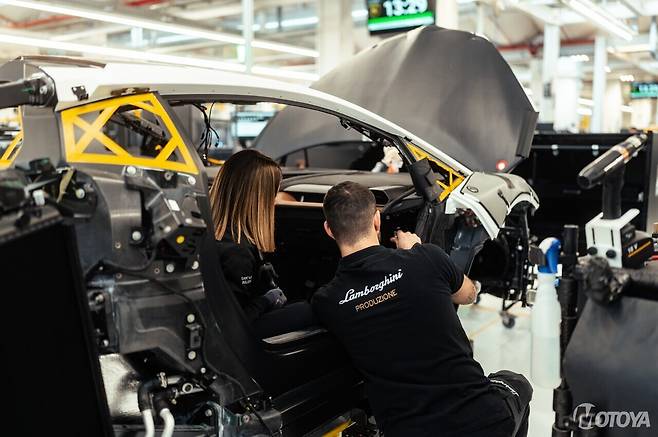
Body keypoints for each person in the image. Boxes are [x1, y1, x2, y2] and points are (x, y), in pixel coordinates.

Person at [312, 181, 532, 437]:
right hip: (480, 422)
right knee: (517, 383)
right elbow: (469, 294)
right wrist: (417, 250)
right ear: (377, 220)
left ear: (329, 230)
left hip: (408, 430)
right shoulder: (427, 257)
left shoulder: (327, 301)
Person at [210, 149, 316, 338]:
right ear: (259, 198)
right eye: (273, 194)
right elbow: (235, 321)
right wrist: (267, 300)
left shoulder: (210, 233)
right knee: (310, 310)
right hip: (235, 338)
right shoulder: (237, 252)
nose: (275, 201)